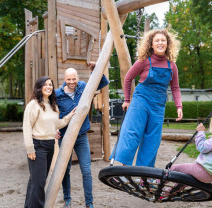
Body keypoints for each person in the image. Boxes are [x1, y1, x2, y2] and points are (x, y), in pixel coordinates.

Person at [110, 29, 183, 167]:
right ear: (151, 44)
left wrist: (179, 106)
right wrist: (127, 100)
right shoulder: (144, 61)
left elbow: (175, 88)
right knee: (133, 131)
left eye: (163, 40)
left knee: (153, 138)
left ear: (168, 44)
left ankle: (143, 172)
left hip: (158, 104)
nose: (160, 43)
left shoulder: (172, 65)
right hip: (141, 99)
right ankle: (125, 167)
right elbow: (128, 78)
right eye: (157, 40)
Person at [55, 63, 109, 208]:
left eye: (74, 79)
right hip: (66, 137)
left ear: (77, 78)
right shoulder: (57, 94)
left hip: (81, 137)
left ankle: (89, 204)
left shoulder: (84, 87)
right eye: (69, 79)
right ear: (64, 79)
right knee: (64, 170)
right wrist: (53, 128)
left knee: (86, 171)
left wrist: (95, 70)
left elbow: (102, 82)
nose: (72, 82)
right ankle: (67, 200)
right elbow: (48, 113)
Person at [23, 76, 76, 208]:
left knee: (35, 182)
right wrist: (30, 149)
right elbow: (27, 127)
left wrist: (70, 116)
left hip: (50, 145)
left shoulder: (53, 106)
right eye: (45, 85)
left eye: (50, 85)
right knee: (39, 183)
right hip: (37, 146)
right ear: (40, 87)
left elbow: (57, 124)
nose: (48, 87)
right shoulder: (33, 105)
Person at [170, 111, 212, 183]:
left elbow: (202, 147)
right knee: (185, 181)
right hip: (210, 177)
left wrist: (200, 132)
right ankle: (170, 191)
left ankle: (158, 182)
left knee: (174, 168)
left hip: (201, 171)